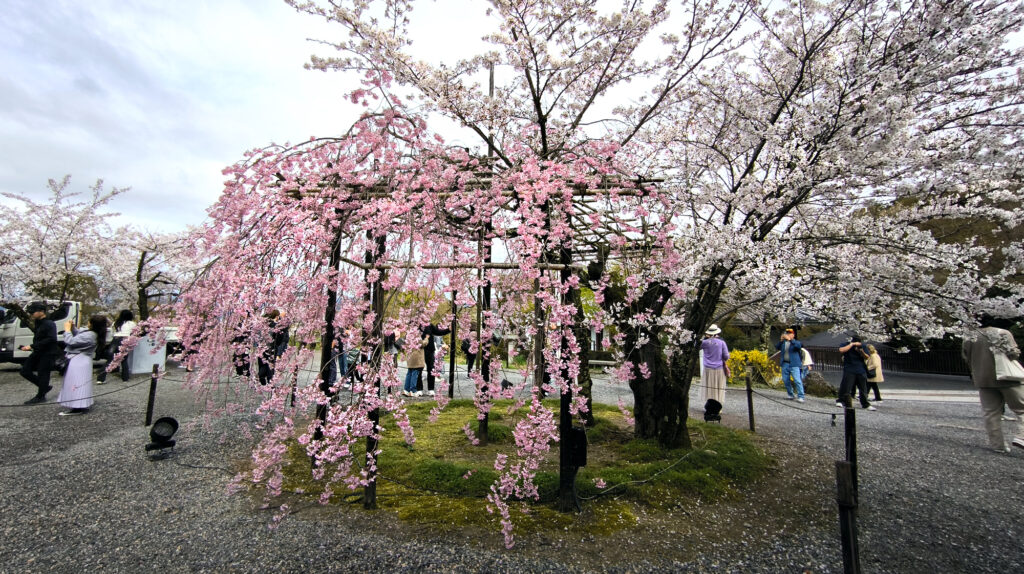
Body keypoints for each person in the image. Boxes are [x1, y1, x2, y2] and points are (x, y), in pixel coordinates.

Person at [962, 315, 1024, 453]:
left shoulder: (969, 337)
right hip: (1007, 378)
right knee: (1021, 408)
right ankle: (1022, 436)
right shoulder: (1002, 333)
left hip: (983, 379)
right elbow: (1013, 354)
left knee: (991, 413)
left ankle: (998, 445)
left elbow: (966, 357)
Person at [57, 315, 107, 415]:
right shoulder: (94, 334)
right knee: (79, 383)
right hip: (82, 360)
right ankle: (80, 405)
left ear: (93, 324)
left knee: (75, 383)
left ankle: (77, 408)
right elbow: (79, 335)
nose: (87, 323)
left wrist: (67, 330)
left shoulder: (90, 335)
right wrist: (73, 328)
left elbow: (70, 341)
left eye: (89, 322)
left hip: (79, 361)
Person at [19, 302, 60, 404]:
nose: (32, 314)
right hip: (38, 351)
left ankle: (40, 395)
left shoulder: (49, 324)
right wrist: (30, 347)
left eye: (33, 312)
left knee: (43, 373)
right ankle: (44, 387)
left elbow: (51, 339)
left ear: (42, 312)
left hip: (48, 353)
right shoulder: (38, 323)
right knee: (25, 371)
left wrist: (32, 346)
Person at [699, 324, 731, 418]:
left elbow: (696, 346)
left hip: (708, 368)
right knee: (718, 388)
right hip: (719, 368)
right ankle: (717, 407)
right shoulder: (721, 343)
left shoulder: (704, 343)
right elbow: (726, 356)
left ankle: (709, 406)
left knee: (709, 387)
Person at [838, 335, 875, 410]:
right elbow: (841, 350)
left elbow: (867, 357)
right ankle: (842, 401)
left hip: (860, 369)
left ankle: (865, 404)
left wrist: (861, 351)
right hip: (849, 368)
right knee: (846, 386)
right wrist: (851, 344)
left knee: (863, 388)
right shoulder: (846, 344)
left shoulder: (862, 346)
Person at [99, 309, 136, 383]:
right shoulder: (132, 323)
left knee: (110, 359)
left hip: (115, 340)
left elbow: (113, 332)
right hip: (125, 340)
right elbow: (134, 332)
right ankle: (125, 378)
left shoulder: (116, 323)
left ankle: (100, 378)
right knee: (124, 360)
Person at [418, 323, 451, 397]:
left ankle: (431, 389)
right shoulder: (416, 323)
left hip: (430, 350)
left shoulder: (429, 325)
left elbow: (438, 332)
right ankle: (419, 389)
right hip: (419, 350)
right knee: (419, 369)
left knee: (431, 369)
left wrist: (448, 330)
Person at [258, 310, 289, 385]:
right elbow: (279, 339)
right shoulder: (275, 326)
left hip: (261, 347)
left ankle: (262, 377)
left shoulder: (262, 325)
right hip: (271, 347)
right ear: (277, 316)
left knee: (262, 363)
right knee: (270, 365)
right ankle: (268, 380)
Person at [775, 328, 805, 402]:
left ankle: (801, 396)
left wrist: (790, 340)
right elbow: (777, 347)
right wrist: (781, 340)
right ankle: (790, 394)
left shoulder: (796, 342)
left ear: (793, 335)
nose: (788, 335)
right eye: (787, 334)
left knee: (797, 380)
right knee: (785, 380)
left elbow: (798, 346)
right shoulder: (783, 343)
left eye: (789, 334)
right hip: (785, 363)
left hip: (794, 364)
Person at [403, 331, 429, 397]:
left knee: (409, 373)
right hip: (417, 358)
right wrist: (426, 339)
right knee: (415, 374)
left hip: (410, 357)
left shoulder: (407, 334)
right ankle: (413, 390)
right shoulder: (416, 333)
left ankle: (406, 390)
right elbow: (422, 344)